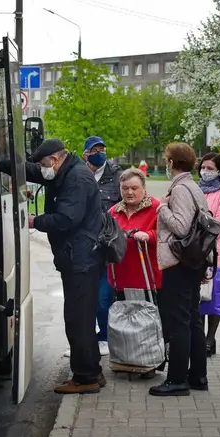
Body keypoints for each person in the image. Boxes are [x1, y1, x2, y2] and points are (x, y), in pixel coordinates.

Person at [0, 139, 106, 394]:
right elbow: (29, 170)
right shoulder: (64, 170)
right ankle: (92, 371)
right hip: (77, 257)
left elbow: (66, 219)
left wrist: (32, 220)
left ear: (55, 159)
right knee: (81, 317)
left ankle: (86, 378)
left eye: (44, 164)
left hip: (81, 259)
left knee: (78, 319)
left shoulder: (77, 179)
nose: (42, 169)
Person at [149, 142, 209, 397]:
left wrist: (161, 207)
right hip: (191, 263)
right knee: (193, 320)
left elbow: (182, 227)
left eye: (167, 159)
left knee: (180, 321)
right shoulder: (192, 186)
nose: (166, 164)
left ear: (173, 163)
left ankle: (176, 380)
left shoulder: (182, 189)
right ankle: (197, 376)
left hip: (179, 263)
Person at [106, 168, 163, 378]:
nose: (129, 192)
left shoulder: (156, 208)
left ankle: (152, 361)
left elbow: (165, 235)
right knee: (127, 321)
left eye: (134, 188)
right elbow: (106, 233)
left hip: (148, 274)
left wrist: (148, 235)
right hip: (121, 275)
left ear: (144, 188)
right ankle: (128, 359)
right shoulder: (114, 212)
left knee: (150, 321)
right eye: (125, 188)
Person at [81, 135, 122, 357]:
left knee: (104, 297)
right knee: (86, 296)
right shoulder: (80, 175)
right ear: (85, 154)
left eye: (102, 148)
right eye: (94, 149)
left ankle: (106, 334)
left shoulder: (117, 175)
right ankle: (92, 336)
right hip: (85, 245)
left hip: (108, 245)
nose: (100, 152)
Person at [197, 152, 220, 357]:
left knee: (213, 296)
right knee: (200, 296)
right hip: (197, 250)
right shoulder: (196, 189)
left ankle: (210, 339)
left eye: (210, 169)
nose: (205, 172)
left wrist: (199, 223)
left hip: (216, 251)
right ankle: (200, 337)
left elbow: (219, 222)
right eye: (203, 168)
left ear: (219, 171)